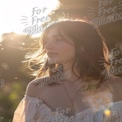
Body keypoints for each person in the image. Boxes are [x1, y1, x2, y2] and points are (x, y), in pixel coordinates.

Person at [12, 19, 122, 122]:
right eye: (46, 41)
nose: (47, 46)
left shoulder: (117, 86)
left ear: (84, 43)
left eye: (58, 39)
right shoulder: (37, 88)